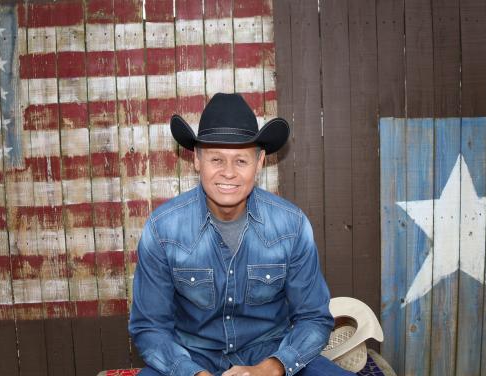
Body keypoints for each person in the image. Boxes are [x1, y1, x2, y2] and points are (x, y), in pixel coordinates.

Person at [129, 93, 354, 376]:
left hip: (270, 354)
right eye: (216, 159)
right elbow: (150, 327)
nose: (228, 173)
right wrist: (191, 373)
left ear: (260, 162)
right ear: (197, 160)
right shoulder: (162, 229)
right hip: (190, 358)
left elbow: (313, 318)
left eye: (241, 161)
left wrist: (273, 368)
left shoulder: (291, 226)